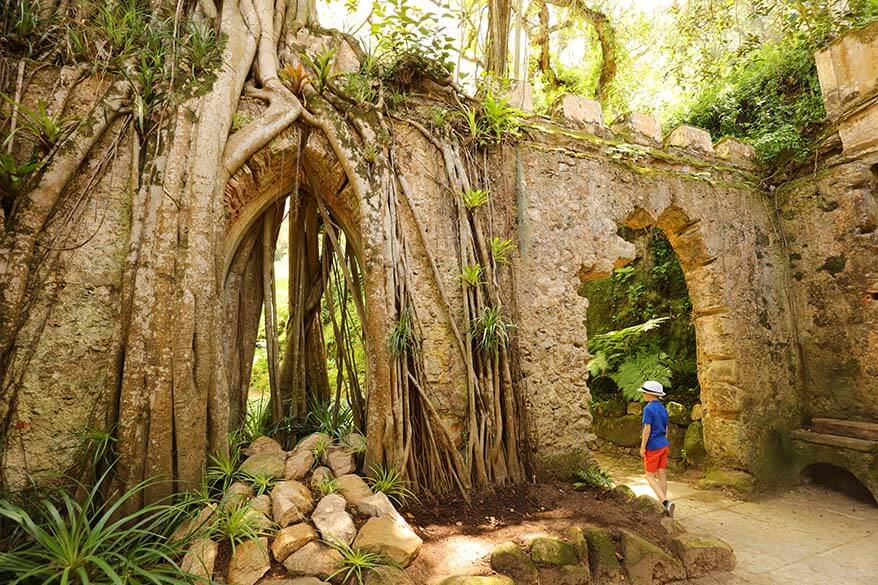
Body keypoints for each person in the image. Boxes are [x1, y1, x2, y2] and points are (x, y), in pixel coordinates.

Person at [638, 380, 675, 517]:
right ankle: (664, 506)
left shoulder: (648, 409)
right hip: (663, 444)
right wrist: (664, 440)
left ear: (649, 394)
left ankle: (665, 502)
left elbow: (647, 429)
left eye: (644, 393)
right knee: (661, 473)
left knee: (649, 475)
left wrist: (643, 447)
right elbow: (666, 428)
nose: (643, 395)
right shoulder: (662, 408)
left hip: (653, 446)